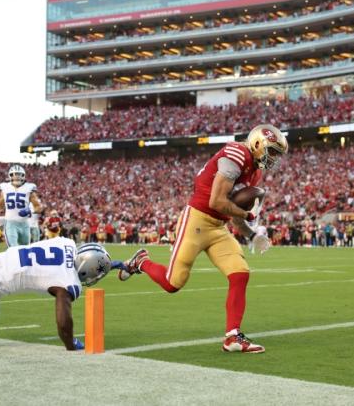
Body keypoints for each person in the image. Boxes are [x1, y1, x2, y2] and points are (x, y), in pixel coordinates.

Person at [119, 124, 287, 353]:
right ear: (258, 144)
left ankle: (233, 337)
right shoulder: (236, 155)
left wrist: (251, 234)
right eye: (273, 151)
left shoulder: (255, 172)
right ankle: (141, 262)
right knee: (172, 283)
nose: (274, 158)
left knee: (240, 273)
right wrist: (249, 214)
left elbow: (232, 213)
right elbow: (216, 202)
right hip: (196, 221)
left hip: (219, 227)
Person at [0, 165, 42, 247]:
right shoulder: (5, 187)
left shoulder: (29, 188)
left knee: (25, 250)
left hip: (24, 224)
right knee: (13, 249)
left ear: (23, 175)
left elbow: (39, 207)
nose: (16, 177)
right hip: (10, 223)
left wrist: (30, 211)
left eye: (19, 175)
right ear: (10, 176)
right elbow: (1, 204)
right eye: (14, 175)